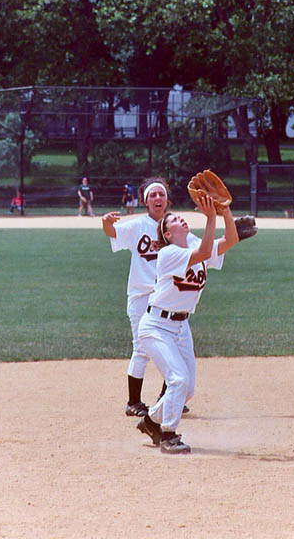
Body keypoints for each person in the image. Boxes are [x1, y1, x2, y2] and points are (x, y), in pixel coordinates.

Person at [136, 195, 238, 454]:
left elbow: (231, 241)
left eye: (180, 216)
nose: (179, 218)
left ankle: (150, 421)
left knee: (187, 389)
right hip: (157, 325)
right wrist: (211, 217)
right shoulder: (168, 253)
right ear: (167, 233)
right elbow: (205, 251)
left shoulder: (194, 245)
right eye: (173, 220)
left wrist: (225, 212)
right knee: (178, 379)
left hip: (181, 327)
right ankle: (168, 435)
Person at [102, 177, 174, 417]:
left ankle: (169, 397)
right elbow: (112, 233)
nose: (157, 198)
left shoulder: (173, 226)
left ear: (167, 200)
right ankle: (133, 402)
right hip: (141, 296)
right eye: (152, 195)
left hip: (166, 297)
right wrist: (106, 223)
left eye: (161, 195)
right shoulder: (137, 225)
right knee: (141, 348)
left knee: (172, 346)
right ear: (145, 201)